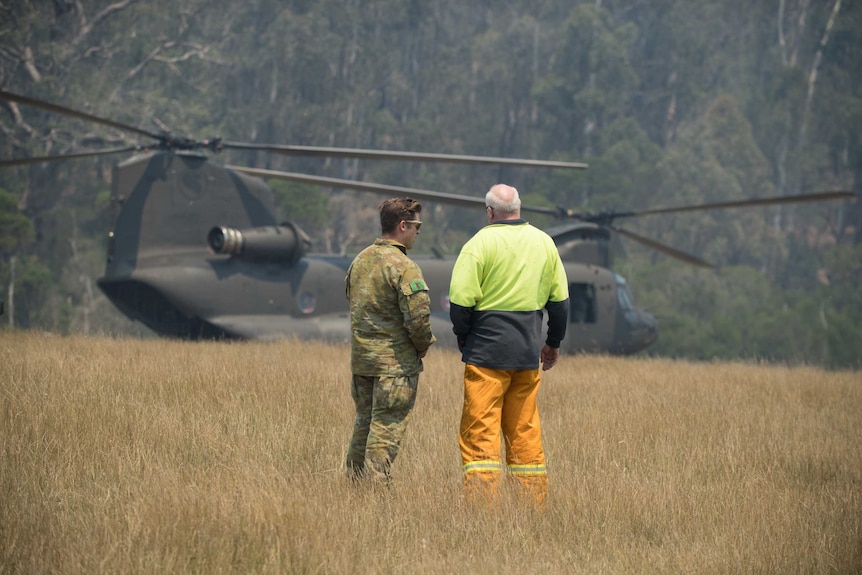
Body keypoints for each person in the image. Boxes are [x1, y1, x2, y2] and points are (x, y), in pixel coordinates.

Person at [448, 183, 569, 506]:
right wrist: (552, 344)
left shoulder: (478, 244)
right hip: (528, 356)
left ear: (489, 212)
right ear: (519, 207)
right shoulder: (544, 243)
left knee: (480, 433)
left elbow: (460, 304)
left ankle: (483, 509)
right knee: (524, 431)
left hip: (486, 355)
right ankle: (532, 507)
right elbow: (560, 304)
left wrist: (466, 340)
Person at [345, 197, 436, 484]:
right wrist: (422, 346)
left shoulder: (360, 260)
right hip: (394, 369)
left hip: (363, 364)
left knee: (364, 424)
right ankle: (375, 490)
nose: (418, 231)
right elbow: (418, 318)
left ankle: (354, 485)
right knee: (385, 429)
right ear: (403, 225)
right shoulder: (404, 267)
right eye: (416, 225)